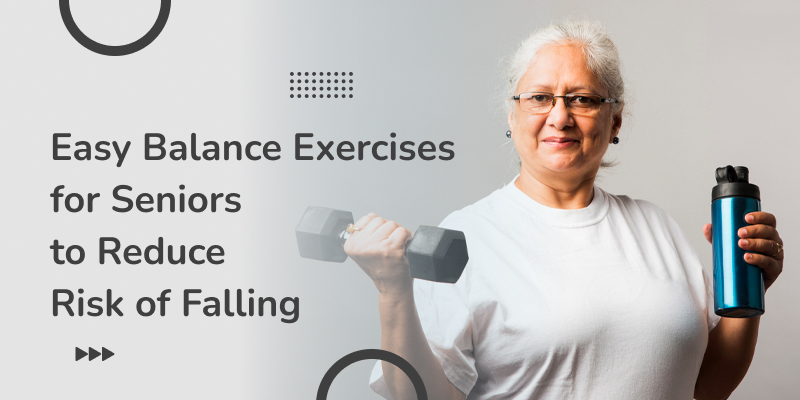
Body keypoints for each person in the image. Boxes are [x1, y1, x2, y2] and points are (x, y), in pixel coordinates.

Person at [343, 20, 785, 400]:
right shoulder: (466, 236)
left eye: (582, 99)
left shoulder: (655, 226)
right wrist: (393, 290)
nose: (560, 117)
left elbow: (706, 388)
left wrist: (752, 286)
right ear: (512, 117)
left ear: (615, 121)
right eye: (539, 98)